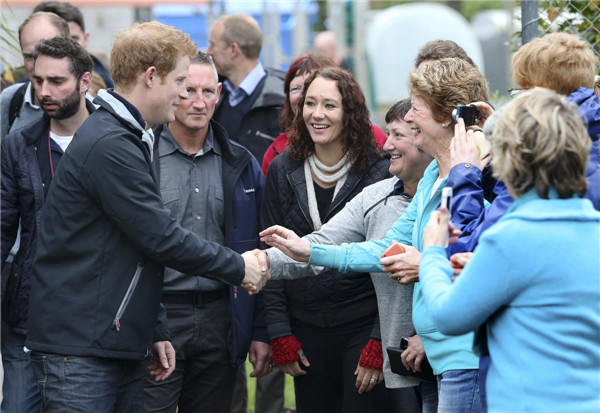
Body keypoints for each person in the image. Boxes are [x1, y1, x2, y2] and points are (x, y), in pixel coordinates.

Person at [25, 22, 268, 413]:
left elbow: (136, 249)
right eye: (179, 82)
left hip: (108, 339)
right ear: (151, 77)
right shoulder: (111, 143)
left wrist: (151, 327)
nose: (183, 94)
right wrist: (239, 266)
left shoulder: (124, 135)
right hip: (83, 347)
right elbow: (161, 237)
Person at [261, 58, 489, 413]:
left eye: (415, 109)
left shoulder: (481, 174)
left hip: (465, 355)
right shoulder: (432, 178)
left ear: (446, 116)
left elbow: (484, 261)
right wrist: (308, 250)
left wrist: (427, 260)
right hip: (440, 359)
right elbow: (386, 247)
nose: (408, 118)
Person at [419, 87, 600, 412]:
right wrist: (484, 267)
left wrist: (433, 252)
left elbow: (448, 316)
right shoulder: (592, 227)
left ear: (509, 158)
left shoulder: (511, 238)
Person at [261, 99, 435, 412]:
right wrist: (261, 263)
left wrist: (421, 334)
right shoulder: (376, 197)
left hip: (445, 354)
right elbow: (358, 247)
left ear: (425, 137)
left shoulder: (455, 194)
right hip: (402, 360)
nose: (387, 146)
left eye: (397, 135)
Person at [142, 51, 271, 413]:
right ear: (171, 92)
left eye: (207, 92)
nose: (198, 102)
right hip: (159, 315)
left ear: (219, 94)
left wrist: (260, 330)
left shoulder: (242, 163)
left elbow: (262, 251)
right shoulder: (142, 157)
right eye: (187, 90)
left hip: (222, 317)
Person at [261, 66, 392, 413]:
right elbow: (269, 251)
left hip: (361, 325)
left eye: (330, 106)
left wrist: (379, 341)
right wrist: (280, 333)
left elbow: (387, 261)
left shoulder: (378, 169)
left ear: (350, 113)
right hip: (305, 330)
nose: (317, 114)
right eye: (310, 103)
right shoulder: (282, 168)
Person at [1, 36, 95, 413]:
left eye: (57, 82)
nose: (44, 91)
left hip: (91, 316)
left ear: (85, 82)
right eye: (38, 80)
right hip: (29, 312)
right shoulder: (18, 144)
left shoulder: (110, 142)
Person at [261, 53, 387, 175]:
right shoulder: (277, 153)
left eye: (310, 86)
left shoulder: (374, 138)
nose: (302, 96)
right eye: (295, 89)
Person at [208, 13, 285, 163]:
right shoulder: (214, 93)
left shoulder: (283, 99)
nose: (209, 52)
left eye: (213, 44)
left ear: (233, 50)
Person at [0, 11, 70, 139]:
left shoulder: (90, 108)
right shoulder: (10, 100)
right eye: (29, 57)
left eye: (47, 55)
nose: (38, 67)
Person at [33, 1, 115, 91]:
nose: (68, 47)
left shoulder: (110, 84)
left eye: (74, 39)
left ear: (86, 38)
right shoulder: (22, 93)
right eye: (57, 41)